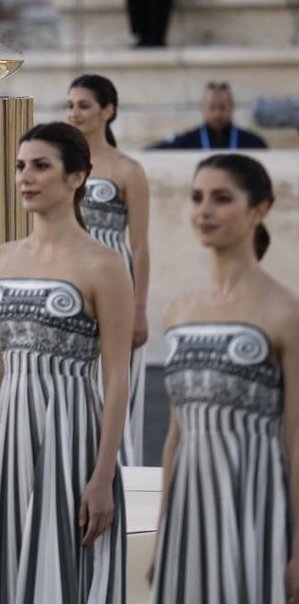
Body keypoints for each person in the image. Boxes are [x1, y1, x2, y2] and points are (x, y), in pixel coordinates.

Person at [0, 122, 131, 600]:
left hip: (73, 432)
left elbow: (117, 377)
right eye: (20, 167)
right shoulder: (0, 259)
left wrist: (102, 477)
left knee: (66, 568)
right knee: (5, 568)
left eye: (41, 166)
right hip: (10, 436)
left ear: (77, 177)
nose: (25, 178)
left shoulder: (104, 264)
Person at [151, 154, 299, 602]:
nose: (204, 211)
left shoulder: (284, 312)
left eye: (222, 198)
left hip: (257, 505)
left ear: (260, 209)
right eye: (197, 198)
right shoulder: (178, 311)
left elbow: (296, 438)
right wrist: (162, 532)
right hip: (189, 512)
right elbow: (175, 434)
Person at [67, 74, 151, 465]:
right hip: (72, 275)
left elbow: (140, 244)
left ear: (107, 111)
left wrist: (140, 308)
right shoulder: (63, 165)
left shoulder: (128, 169)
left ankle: (116, 466)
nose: (75, 113)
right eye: (71, 105)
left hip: (114, 271)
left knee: (113, 373)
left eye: (84, 105)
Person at [153, 80, 270, 149]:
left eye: (222, 107)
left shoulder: (252, 143)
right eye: (212, 107)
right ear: (202, 108)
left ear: (232, 107)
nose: (217, 114)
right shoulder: (186, 141)